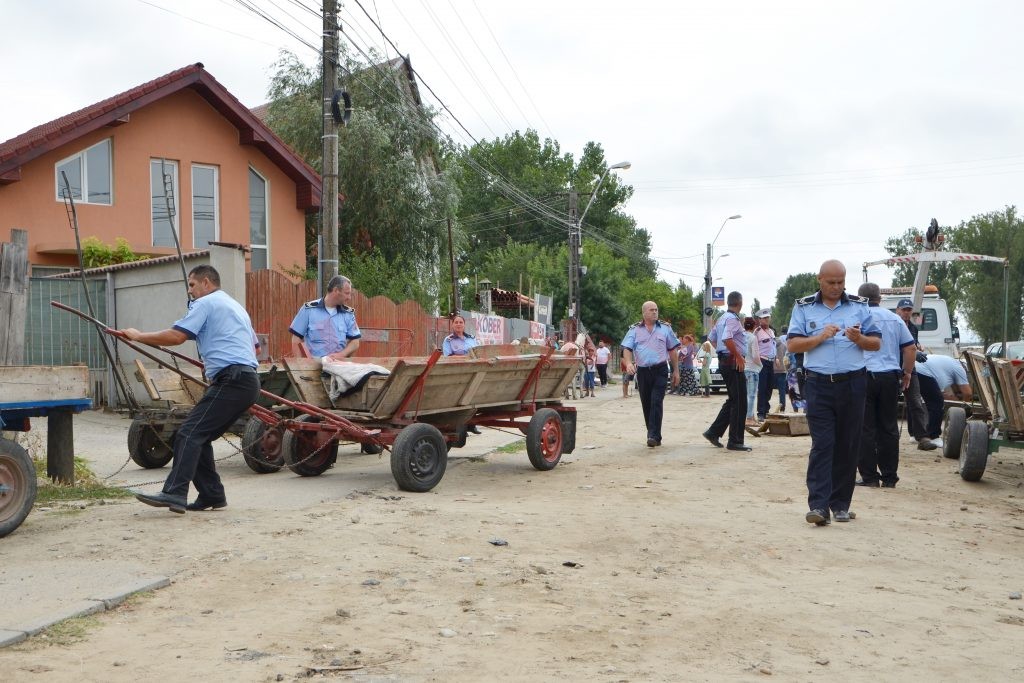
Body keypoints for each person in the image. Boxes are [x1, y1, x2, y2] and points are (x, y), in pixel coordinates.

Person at [121, 265, 261, 513]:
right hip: (245, 380)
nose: (190, 291)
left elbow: (176, 336)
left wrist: (138, 336)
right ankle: (211, 495)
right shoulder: (235, 307)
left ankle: (174, 493)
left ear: (206, 283)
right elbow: (255, 348)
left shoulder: (206, 304)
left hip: (233, 379)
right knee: (195, 435)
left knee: (188, 433)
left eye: (192, 285)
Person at [786, 260, 881, 526]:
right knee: (822, 444)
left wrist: (859, 339)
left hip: (853, 383)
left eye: (841, 282)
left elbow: (876, 342)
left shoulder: (859, 306)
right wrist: (819, 338)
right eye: (831, 283)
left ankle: (840, 504)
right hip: (818, 384)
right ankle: (818, 505)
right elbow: (792, 344)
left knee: (848, 444)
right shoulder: (803, 307)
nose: (836, 287)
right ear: (820, 279)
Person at [855, 283, 916, 489]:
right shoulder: (896, 319)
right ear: (880, 298)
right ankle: (890, 477)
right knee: (888, 427)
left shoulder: (856, 318)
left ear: (860, 298)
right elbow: (910, 348)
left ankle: (870, 477)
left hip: (863, 376)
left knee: (865, 428)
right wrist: (907, 372)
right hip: (889, 377)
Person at [621, 301, 680, 447]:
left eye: (656, 310)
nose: (655, 312)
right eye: (651, 310)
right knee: (646, 403)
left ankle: (653, 435)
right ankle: (654, 435)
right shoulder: (634, 330)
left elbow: (673, 350)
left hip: (660, 370)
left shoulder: (665, 329)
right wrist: (628, 363)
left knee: (656, 401)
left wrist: (676, 371)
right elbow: (627, 349)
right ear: (644, 313)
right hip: (642, 372)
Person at [702, 291, 750, 451]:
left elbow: (712, 338)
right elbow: (727, 339)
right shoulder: (733, 319)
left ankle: (713, 432)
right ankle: (735, 440)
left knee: (733, 400)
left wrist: (722, 353)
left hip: (726, 361)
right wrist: (737, 356)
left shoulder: (722, 318)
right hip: (733, 363)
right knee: (740, 402)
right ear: (740, 303)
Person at [895, 299, 936, 450]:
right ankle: (886, 437)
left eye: (909, 310)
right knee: (888, 404)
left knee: (916, 402)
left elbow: (913, 345)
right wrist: (913, 352)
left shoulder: (913, 328)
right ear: (897, 310)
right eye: (904, 309)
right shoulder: (892, 325)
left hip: (910, 370)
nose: (907, 312)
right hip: (892, 368)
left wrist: (918, 348)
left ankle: (923, 438)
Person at [289, 275, 361, 360]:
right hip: (314, 367)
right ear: (336, 290)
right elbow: (296, 339)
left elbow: (355, 342)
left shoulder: (348, 314)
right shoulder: (309, 310)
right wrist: (301, 364)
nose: (349, 298)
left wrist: (341, 354)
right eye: (347, 293)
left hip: (339, 367)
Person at [915, 353, 973, 446]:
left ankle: (915, 435)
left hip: (912, 366)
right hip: (924, 372)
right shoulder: (959, 369)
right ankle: (933, 436)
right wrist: (963, 409)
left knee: (914, 402)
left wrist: (953, 398)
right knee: (937, 404)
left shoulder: (948, 364)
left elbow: (948, 392)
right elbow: (967, 393)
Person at [442, 315, 481, 432]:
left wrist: (462, 356)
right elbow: (448, 357)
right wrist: (465, 357)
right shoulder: (448, 340)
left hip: (473, 371)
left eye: (461, 322)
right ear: (452, 325)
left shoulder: (472, 338)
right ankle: (459, 427)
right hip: (457, 373)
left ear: (464, 324)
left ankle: (472, 424)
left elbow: (478, 353)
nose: (458, 324)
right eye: (456, 322)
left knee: (473, 397)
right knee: (457, 399)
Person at [754, 309, 777, 421]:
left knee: (770, 386)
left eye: (768, 317)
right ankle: (761, 412)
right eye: (764, 318)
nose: (767, 319)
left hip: (771, 361)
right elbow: (754, 348)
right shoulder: (757, 332)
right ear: (759, 320)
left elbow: (773, 346)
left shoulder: (772, 331)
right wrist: (757, 362)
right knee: (762, 387)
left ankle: (766, 409)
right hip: (762, 361)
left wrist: (776, 358)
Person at [741, 317, 762, 426]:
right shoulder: (753, 338)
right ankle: (749, 418)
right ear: (753, 326)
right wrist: (760, 365)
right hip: (752, 369)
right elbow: (755, 356)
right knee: (752, 395)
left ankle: (748, 416)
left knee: (744, 395)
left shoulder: (741, 336)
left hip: (742, 368)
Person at [773, 328, 789, 412]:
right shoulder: (784, 345)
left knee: (766, 391)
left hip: (772, 371)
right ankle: (782, 409)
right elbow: (787, 359)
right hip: (782, 371)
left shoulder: (770, 344)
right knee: (782, 392)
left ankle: (765, 410)